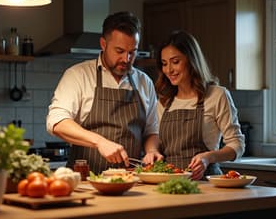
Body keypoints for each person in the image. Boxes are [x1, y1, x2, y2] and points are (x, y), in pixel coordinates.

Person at [46, 11, 163, 174]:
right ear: (103, 44)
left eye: (132, 52)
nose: (126, 59)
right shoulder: (78, 75)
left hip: (132, 182)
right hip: (86, 180)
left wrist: (151, 151)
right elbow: (57, 122)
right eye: (119, 51)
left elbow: (152, 130)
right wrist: (100, 142)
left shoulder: (144, 82)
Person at [155, 30, 245, 180]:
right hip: (169, 184)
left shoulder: (217, 95)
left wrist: (208, 157)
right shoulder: (164, 101)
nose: (169, 70)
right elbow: (158, 143)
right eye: (164, 64)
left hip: (206, 184)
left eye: (175, 62)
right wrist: (153, 153)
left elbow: (237, 145)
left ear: (191, 60)